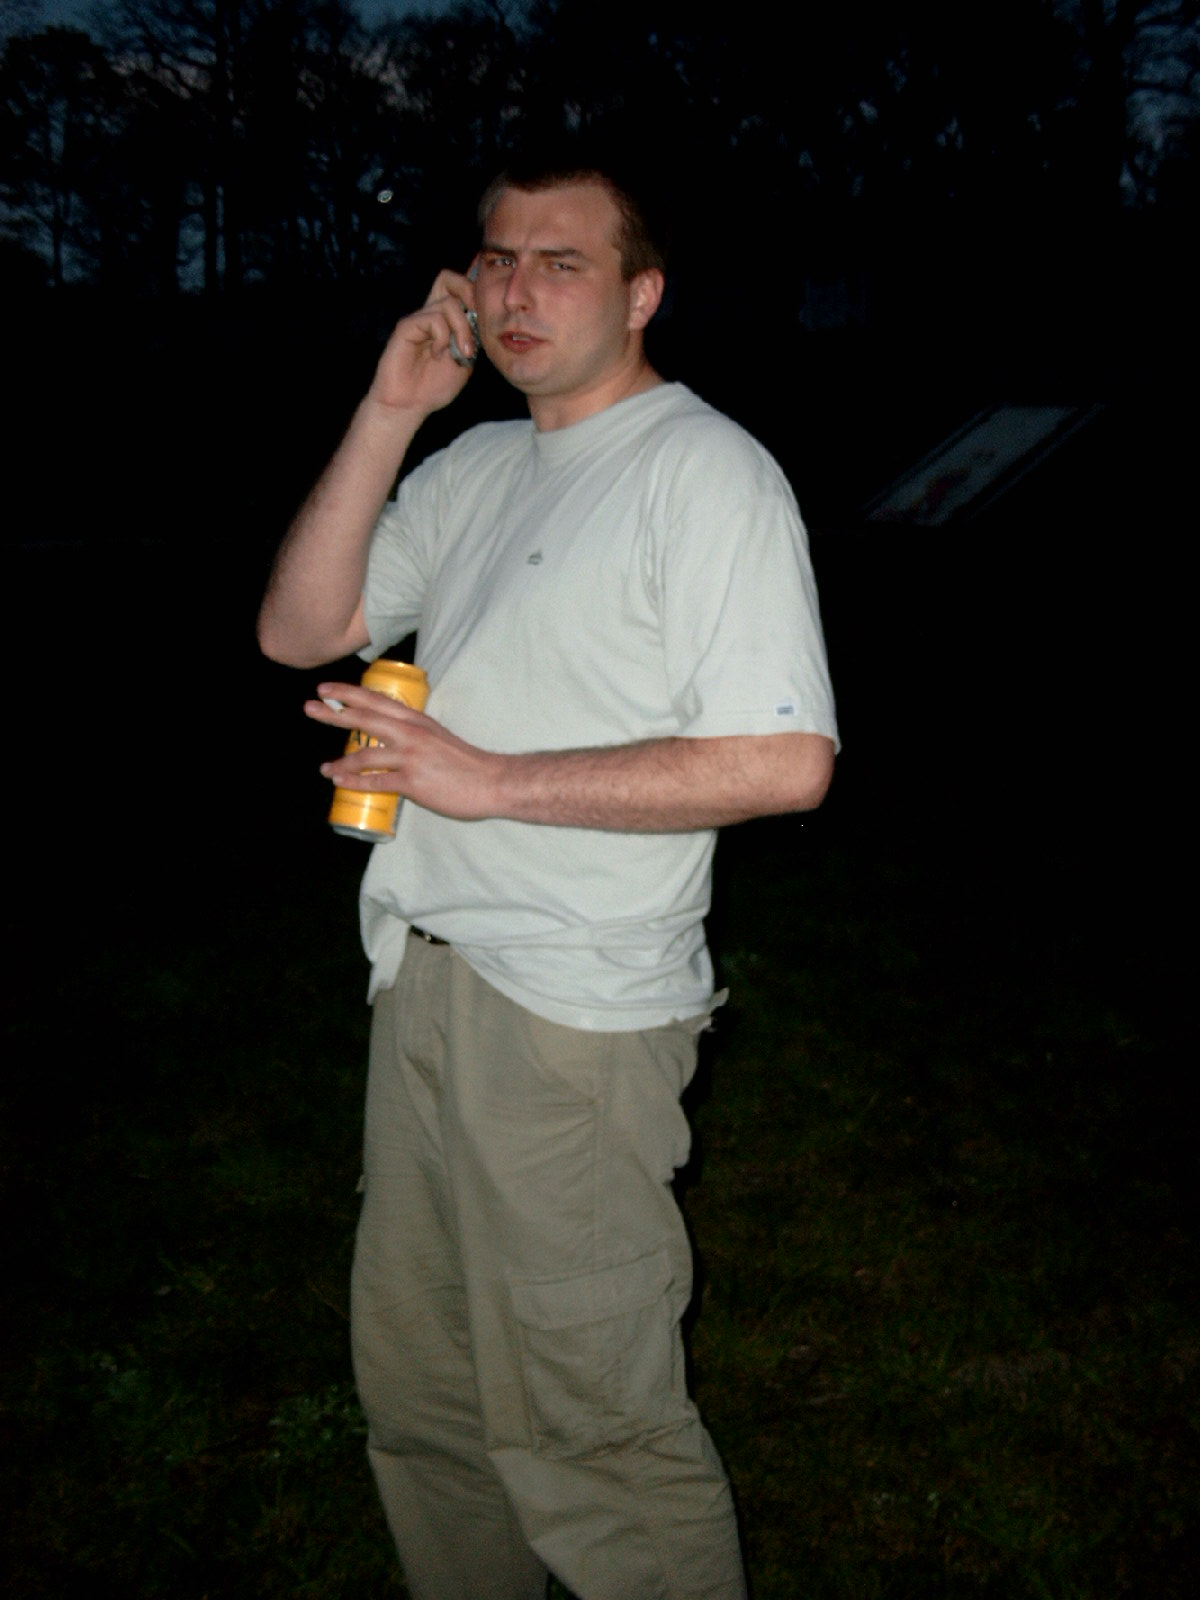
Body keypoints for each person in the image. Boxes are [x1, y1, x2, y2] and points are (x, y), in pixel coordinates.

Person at [257, 152, 838, 1600]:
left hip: (573, 1015)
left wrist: (488, 780)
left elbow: (785, 761)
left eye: (562, 262)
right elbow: (299, 628)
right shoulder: (478, 466)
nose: (517, 289)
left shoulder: (704, 473)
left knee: (591, 1436)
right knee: (429, 1408)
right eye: (498, 259)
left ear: (643, 294)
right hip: (424, 978)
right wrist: (393, 408)